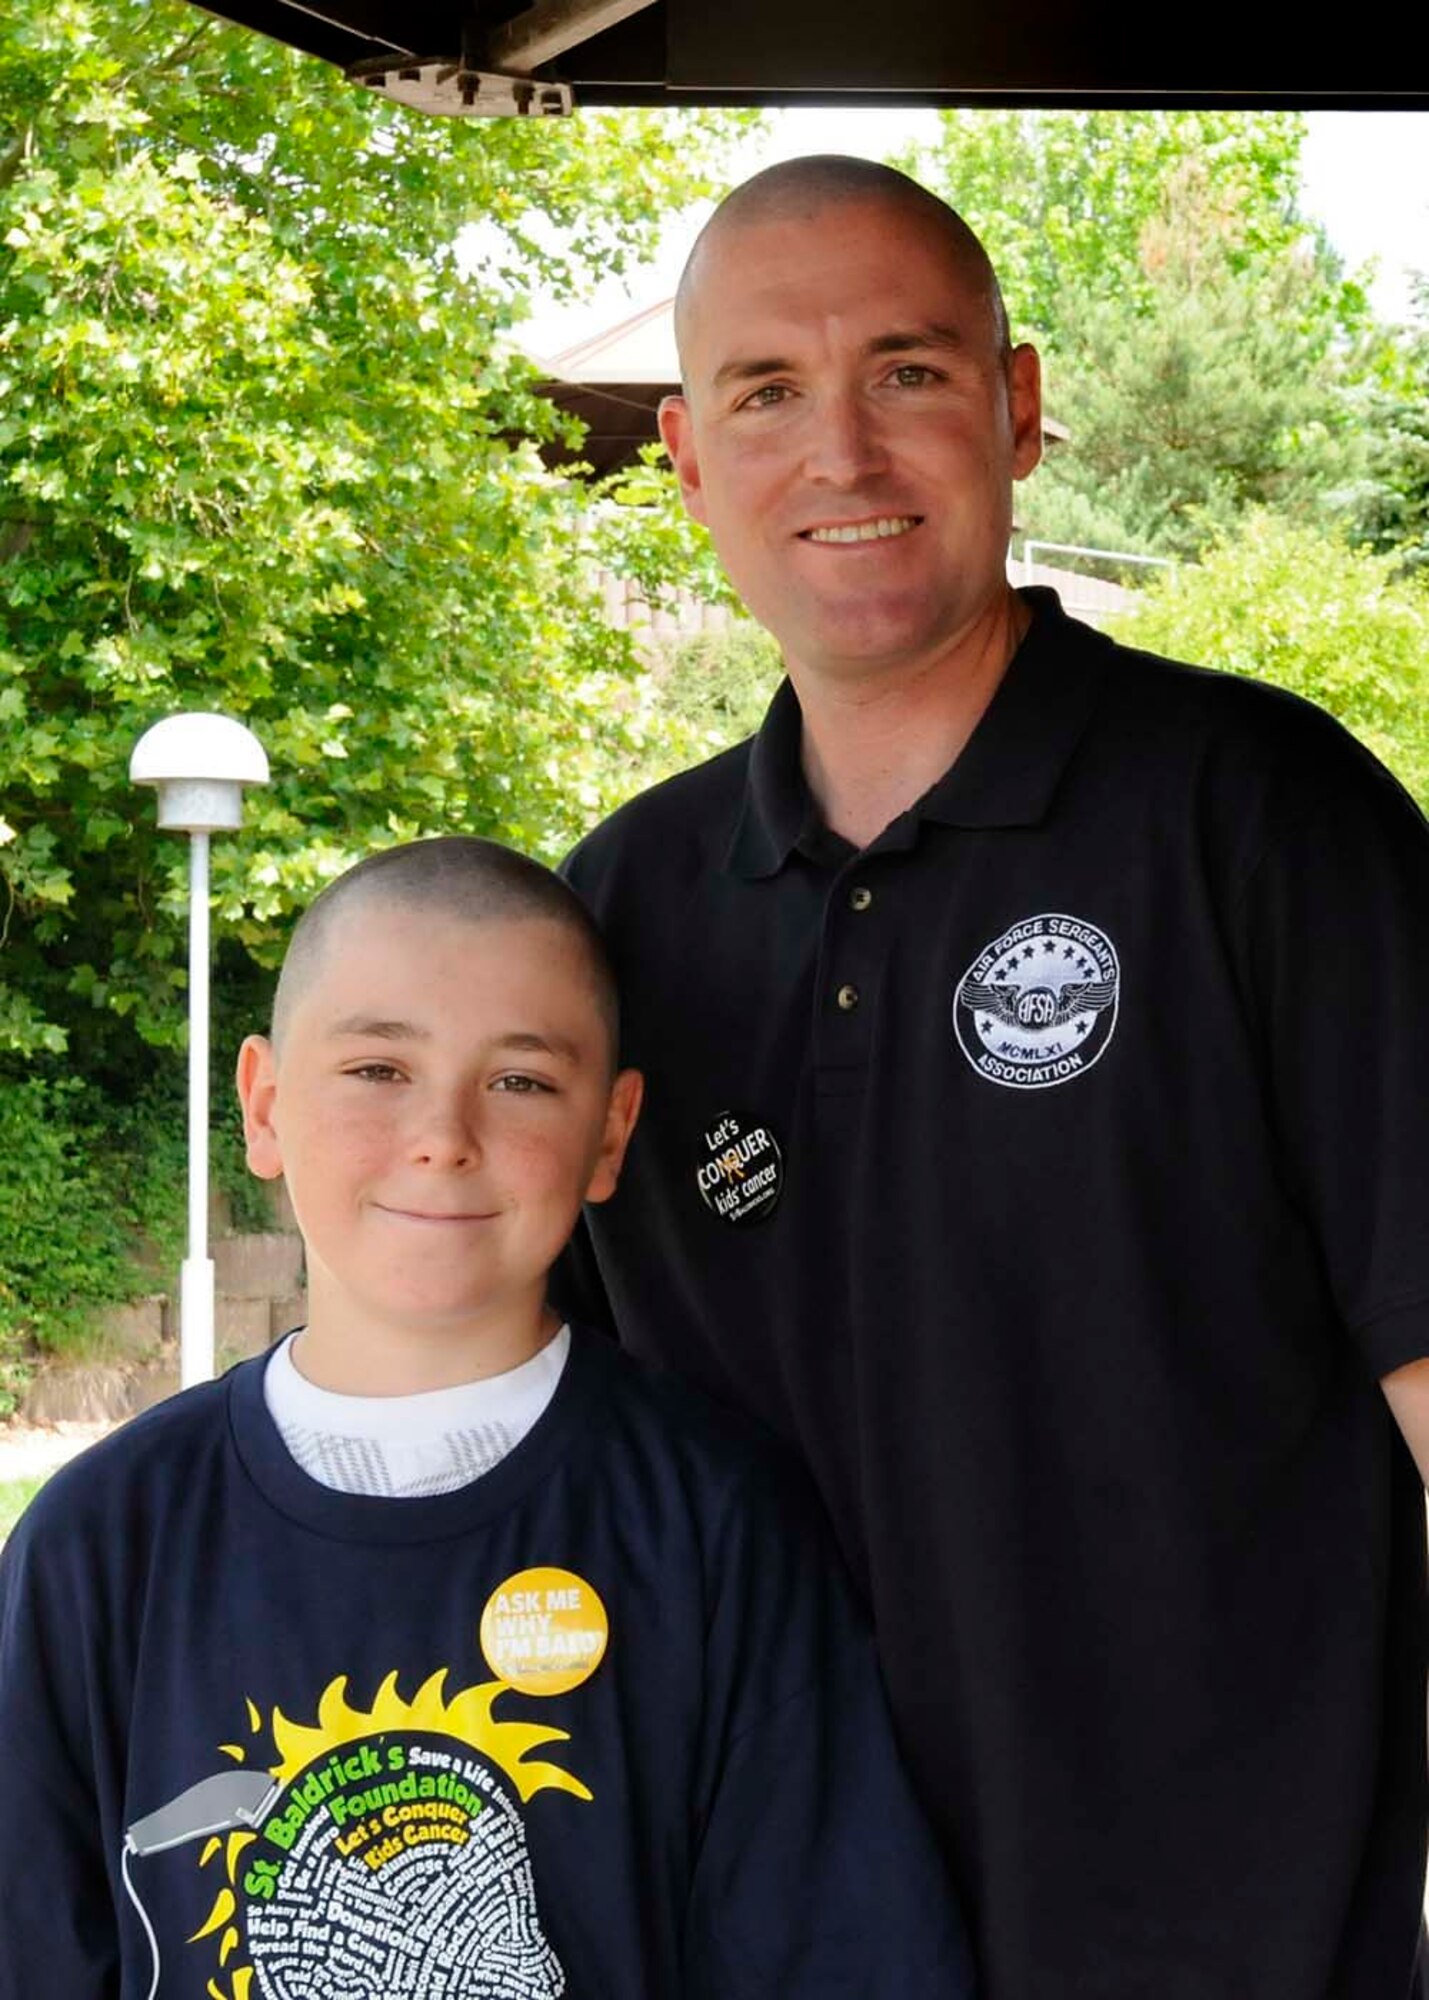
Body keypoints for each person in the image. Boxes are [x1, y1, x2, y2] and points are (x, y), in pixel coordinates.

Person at [558, 156, 1429, 1998]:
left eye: (908, 371)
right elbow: (511, 1433)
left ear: (1017, 409)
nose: (844, 457)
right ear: (685, 458)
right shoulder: (617, 917)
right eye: (766, 392)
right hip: (761, 1939)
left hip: (1227, 1946)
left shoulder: (1262, 824)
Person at [0, 835, 974, 2000]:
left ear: (610, 1133)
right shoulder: (101, 1540)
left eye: (520, 1080)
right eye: (375, 1069)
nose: (443, 1134)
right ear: (262, 1104)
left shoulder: (718, 1525)